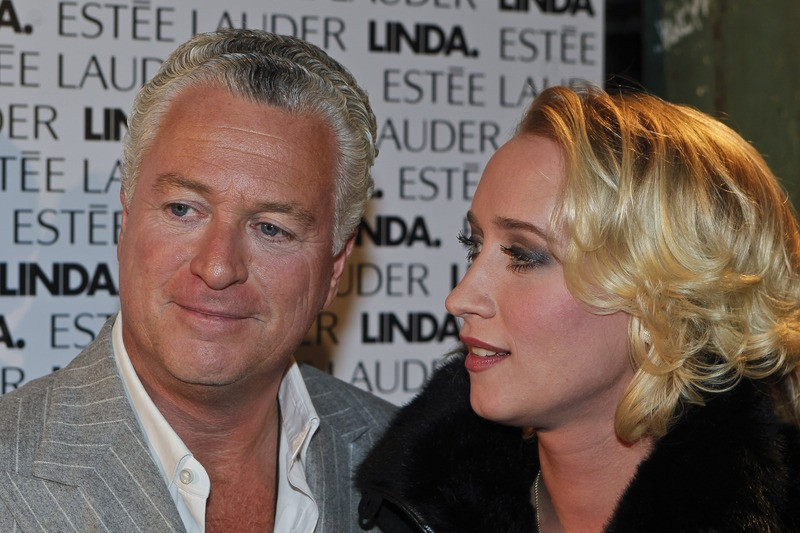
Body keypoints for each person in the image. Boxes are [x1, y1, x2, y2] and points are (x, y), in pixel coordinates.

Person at [0, 29, 395, 532]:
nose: (218, 267)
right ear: (125, 222)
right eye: (183, 209)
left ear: (335, 266)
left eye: (271, 229)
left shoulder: (414, 469)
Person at [356, 84, 800, 532]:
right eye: (474, 247)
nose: (459, 298)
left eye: (523, 255)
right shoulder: (401, 507)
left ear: (666, 301)